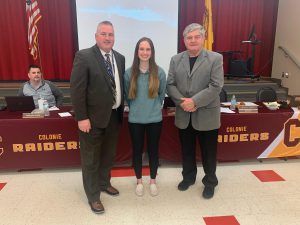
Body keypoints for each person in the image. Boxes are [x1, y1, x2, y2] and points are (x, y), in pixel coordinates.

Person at [70, 21, 125, 214]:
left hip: (113, 117)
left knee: (108, 157)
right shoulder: (84, 56)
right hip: (91, 120)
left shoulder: (119, 57)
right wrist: (82, 117)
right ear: (96, 36)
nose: (107, 38)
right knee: (91, 160)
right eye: (103, 34)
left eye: (110, 34)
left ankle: (104, 183)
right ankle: (93, 197)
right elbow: (77, 90)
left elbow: (117, 87)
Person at [167, 23, 224, 199]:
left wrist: (194, 102)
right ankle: (189, 178)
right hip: (184, 114)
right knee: (187, 151)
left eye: (196, 37)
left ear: (203, 38)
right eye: (189, 37)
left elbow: (216, 86)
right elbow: (170, 84)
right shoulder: (176, 59)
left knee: (208, 153)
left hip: (207, 114)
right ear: (184, 40)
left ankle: (210, 182)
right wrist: (183, 102)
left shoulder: (215, 58)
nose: (192, 40)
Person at [124, 37, 166, 197]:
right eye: (141, 49)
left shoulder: (160, 72)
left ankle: (153, 181)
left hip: (155, 120)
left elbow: (161, 95)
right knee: (137, 152)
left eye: (148, 49)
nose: (144, 52)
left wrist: (153, 107)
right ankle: (139, 181)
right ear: (137, 52)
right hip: (135, 120)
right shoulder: (128, 73)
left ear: (152, 52)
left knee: (153, 152)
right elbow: (128, 96)